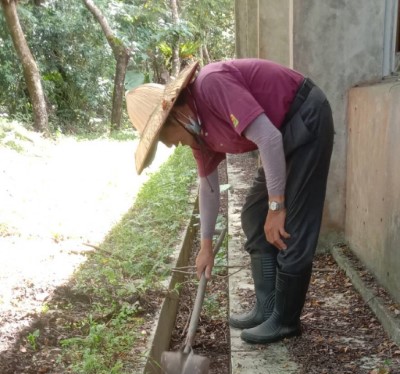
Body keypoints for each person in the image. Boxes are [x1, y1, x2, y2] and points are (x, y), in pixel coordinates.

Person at [126, 58, 334, 345]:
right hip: (283, 132)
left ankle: (285, 320)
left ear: (175, 114)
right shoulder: (199, 135)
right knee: (253, 215)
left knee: (290, 225)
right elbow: (209, 186)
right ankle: (266, 307)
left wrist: (277, 206)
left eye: (165, 137)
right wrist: (206, 246)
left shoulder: (212, 85)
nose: (172, 144)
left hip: (305, 115)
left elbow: (269, 139)